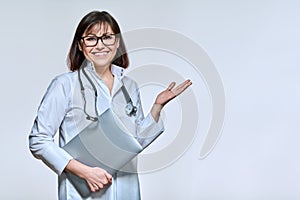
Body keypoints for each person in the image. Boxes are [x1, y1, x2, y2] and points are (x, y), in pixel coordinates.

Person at [29, 10, 192, 200]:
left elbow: (134, 142)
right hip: (82, 192)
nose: (100, 45)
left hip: (126, 190)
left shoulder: (129, 86)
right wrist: (84, 172)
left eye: (107, 37)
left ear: (117, 43)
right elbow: (38, 140)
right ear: (81, 45)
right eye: (91, 39)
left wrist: (157, 107)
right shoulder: (65, 85)